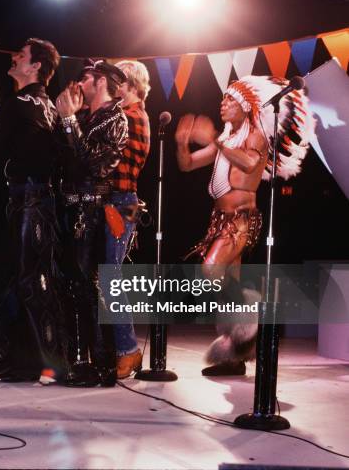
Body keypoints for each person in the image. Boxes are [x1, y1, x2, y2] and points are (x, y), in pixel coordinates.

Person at [175, 75, 313, 376]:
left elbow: (251, 165)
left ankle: (251, 313)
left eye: (230, 101)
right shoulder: (225, 139)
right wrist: (182, 143)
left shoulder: (254, 136)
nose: (222, 104)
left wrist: (220, 142)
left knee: (210, 272)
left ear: (246, 107)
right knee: (226, 281)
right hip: (220, 220)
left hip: (240, 220)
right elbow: (187, 165)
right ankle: (233, 356)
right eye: (222, 99)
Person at [0, 37, 67, 382]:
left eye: (21, 55)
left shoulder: (17, 102)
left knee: (23, 279)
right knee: (31, 279)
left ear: (35, 66)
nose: (14, 57)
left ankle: (30, 361)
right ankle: (23, 356)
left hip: (25, 199)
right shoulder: (48, 105)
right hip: (44, 201)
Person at [55, 60, 128, 387]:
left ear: (100, 81)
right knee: (74, 287)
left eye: (84, 78)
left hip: (92, 211)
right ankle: (79, 360)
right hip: (71, 208)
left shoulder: (117, 119)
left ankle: (103, 365)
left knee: (91, 287)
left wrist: (69, 120)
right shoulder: (88, 117)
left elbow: (95, 166)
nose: (78, 84)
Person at [108, 60, 151, 379]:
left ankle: (129, 349)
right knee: (108, 273)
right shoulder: (126, 114)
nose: (113, 88)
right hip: (121, 202)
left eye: (117, 83)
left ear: (131, 86)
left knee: (111, 273)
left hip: (122, 203)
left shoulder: (131, 117)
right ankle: (120, 347)